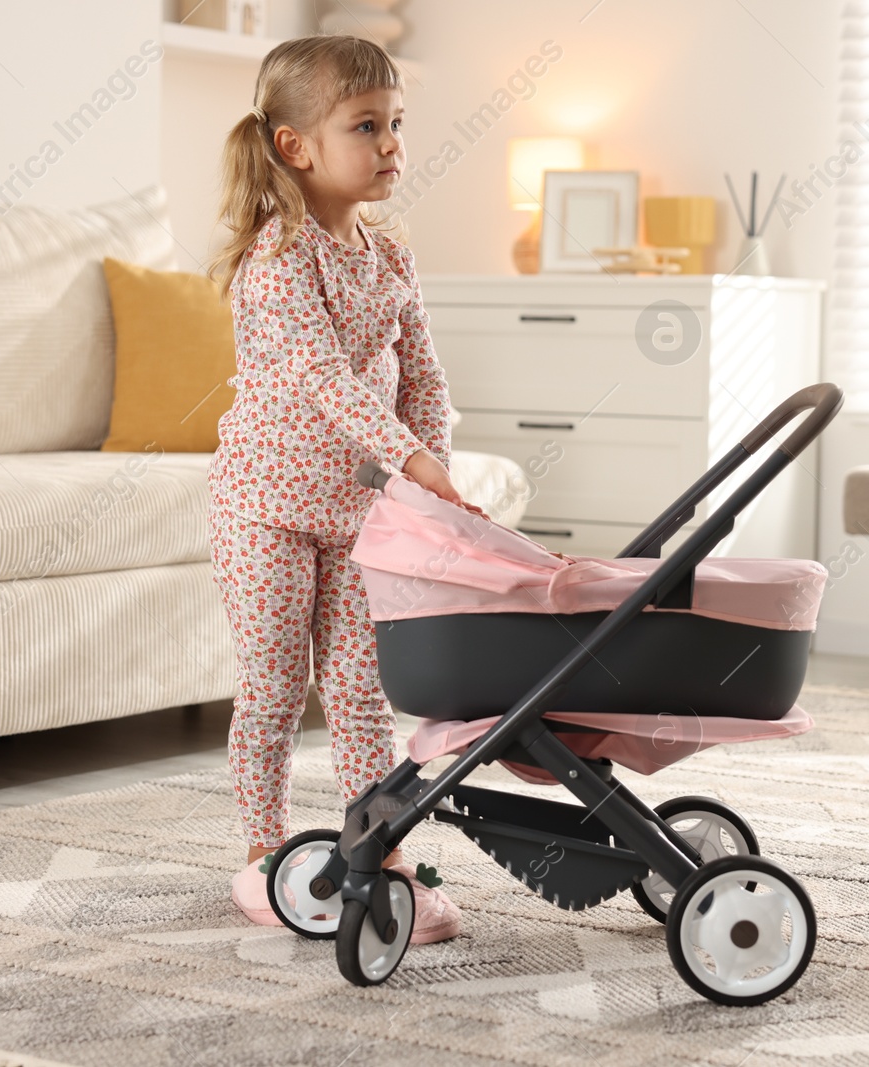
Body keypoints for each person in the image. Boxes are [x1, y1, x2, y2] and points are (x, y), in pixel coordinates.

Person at [204, 34, 478, 944]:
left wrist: (427, 468)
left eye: (397, 123)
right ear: (296, 146)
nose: (393, 143)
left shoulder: (390, 257)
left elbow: (424, 378)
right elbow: (325, 378)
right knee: (277, 686)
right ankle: (261, 850)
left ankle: (382, 849)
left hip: (360, 512)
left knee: (364, 695)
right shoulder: (278, 262)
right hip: (265, 509)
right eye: (368, 126)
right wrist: (410, 461)